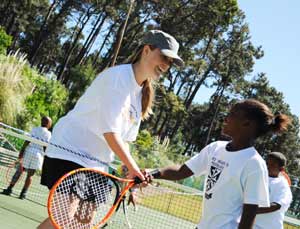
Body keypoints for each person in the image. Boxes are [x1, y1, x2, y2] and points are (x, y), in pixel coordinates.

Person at [37, 29, 184, 229]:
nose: (166, 66)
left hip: (97, 163)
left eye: (171, 63)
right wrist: (134, 170)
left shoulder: (141, 95)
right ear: (147, 50)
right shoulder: (118, 78)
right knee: (62, 220)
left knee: (83, 224)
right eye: (164, 57)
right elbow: (110, 133)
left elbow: (124, 141)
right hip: (70, 151)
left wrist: (128, 179)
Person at [149, 99, 291, 229]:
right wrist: (152, 173)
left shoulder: (254, 163)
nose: (226, 118)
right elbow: (181, 171)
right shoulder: (215, 147)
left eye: (233, 114)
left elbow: (249, 215)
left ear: (247, 123)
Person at [2, 116, 52, 199]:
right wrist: (47, 157)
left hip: (29, 152)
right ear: (48, 124)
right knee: (30, 176)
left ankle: (9, 189)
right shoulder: (48, 134)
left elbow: (27, 141)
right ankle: (23, 194)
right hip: (38, 155)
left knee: (19, 171)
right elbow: (45, 147)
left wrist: (21, 152)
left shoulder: (35, 129)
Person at [254, 152, 293, 229]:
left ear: (281, 169)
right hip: (251, 225)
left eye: (272, 165)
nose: (267, 166)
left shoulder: (283, 185)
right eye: (267, 163)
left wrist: (251, 210)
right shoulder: (257, 176)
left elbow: (276, 205)